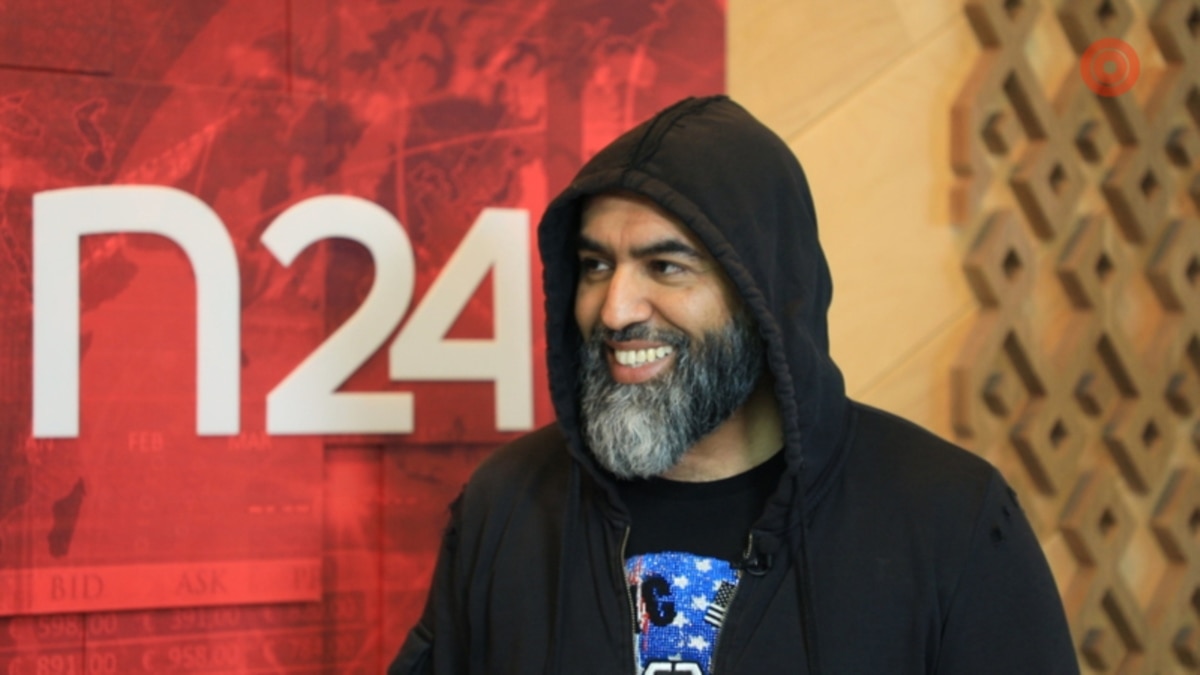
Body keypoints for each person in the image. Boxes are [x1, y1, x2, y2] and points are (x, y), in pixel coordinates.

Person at [388, 95, 1079, 674]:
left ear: (761, 296)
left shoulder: (949, 518)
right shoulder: (506, 504)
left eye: (665, 267)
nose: (615, 309)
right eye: (596, 265)